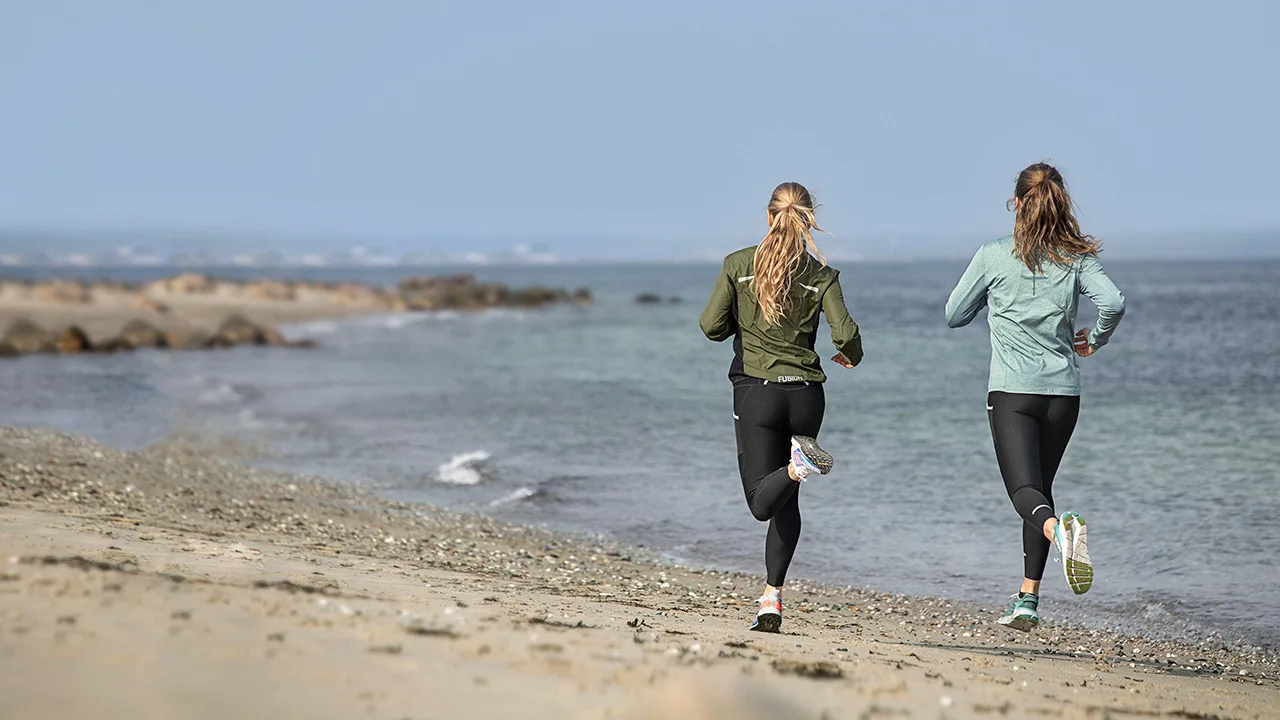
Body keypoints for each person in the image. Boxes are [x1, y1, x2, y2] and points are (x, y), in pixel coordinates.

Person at [946, 162, 1126, 632]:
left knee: (1025, 494)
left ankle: (1059, 534)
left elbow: (954, 314)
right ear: (1060, 203)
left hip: (1013, 393)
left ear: (1018, 203)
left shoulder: (993, 255)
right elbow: (1114, 303)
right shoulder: (1078, 258)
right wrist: (1096, 339)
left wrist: (992, 298)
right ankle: (1028, 599)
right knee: (1041, 491)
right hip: (1064, 394)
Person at [700, 181, 863, 633]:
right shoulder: (822, 273)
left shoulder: (738, 264)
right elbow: (845, 333)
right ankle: (771, 599)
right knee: (787, 501)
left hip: (757, 393)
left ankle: (796, 467)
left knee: (761, 501)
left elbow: (710, 327)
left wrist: (744, 318)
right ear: (808, 219)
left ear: (769, 217)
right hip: (807, 396)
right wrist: (852, 355)